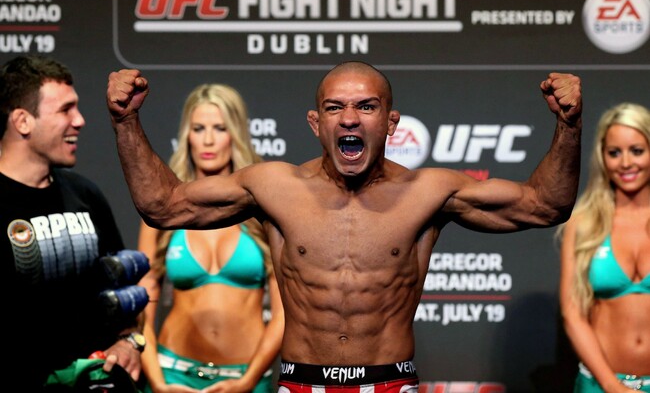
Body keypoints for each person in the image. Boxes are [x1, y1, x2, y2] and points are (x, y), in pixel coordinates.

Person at [106, 61, 582, 392]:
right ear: (316, 123)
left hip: (389, 382)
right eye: (335, 108)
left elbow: (545, 206)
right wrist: (126, 122)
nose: (350, 118)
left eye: (366, 107)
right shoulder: (275, 186)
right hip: (300, 382)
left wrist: (568, 127)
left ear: (390, 122)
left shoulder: (427, 192)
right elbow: (163, 207)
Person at [0, 55, 144, 391]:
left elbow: (124, 293)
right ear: (23, 121)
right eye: (65, 110)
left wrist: (128, 343)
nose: (79, 120)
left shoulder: (85, 195)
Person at [136, 83, 283, 393]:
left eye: (220, 128)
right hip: (173, 375)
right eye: (198, 128)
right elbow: (142, 309)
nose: (208, 140)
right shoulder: (163, 209)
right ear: (187, 135)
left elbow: (284, 314)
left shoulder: (263, 205)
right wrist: (158, 383)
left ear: (236, 134)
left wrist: (248, 381)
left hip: (247, 379)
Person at [557, 102, 650, 392]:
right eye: (614, 153)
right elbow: (572, 312)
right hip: (599, 385)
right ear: (602, 157)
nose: (626, 163)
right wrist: (612, 386)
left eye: (637, 150)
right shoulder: (583, 223)